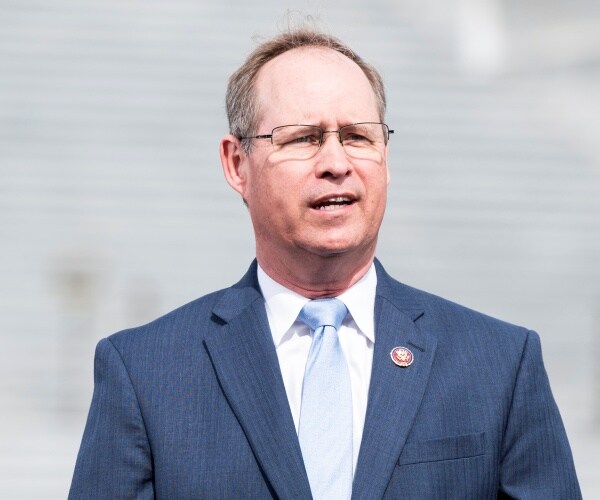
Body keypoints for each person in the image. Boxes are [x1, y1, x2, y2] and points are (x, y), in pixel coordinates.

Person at [68, 29, 581, 499]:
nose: (336, 163)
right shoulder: (146, 375)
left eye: (357, 136)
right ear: (236, 163)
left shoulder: (499, 366)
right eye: (303, 138)